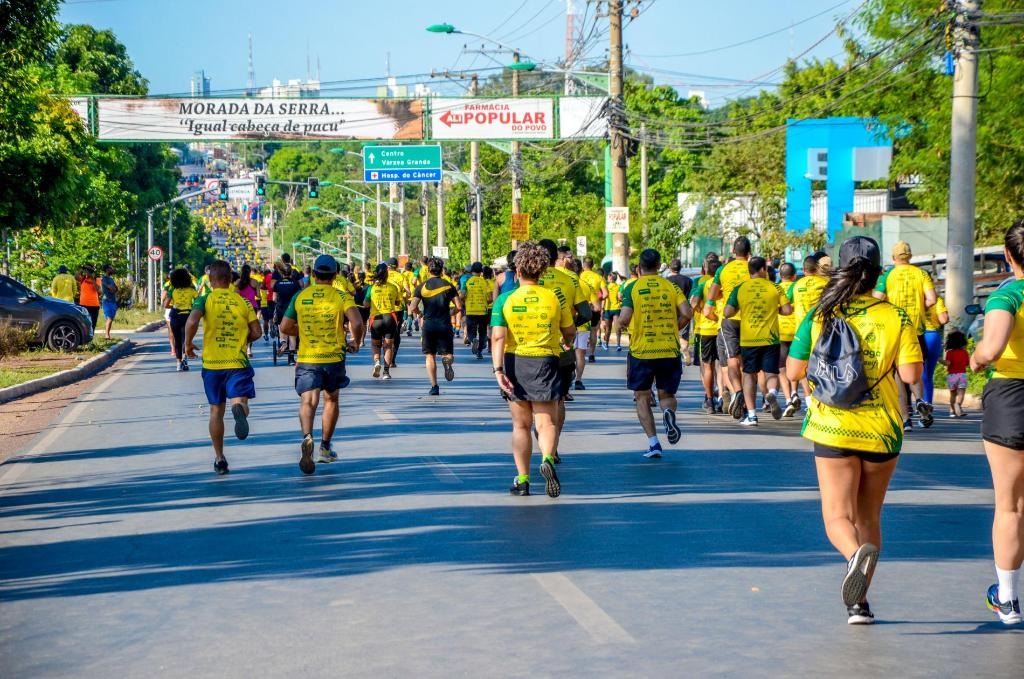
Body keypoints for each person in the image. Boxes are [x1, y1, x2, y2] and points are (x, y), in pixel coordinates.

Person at [786, 236, 923, 624]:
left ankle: (853, 563)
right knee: (869, 519)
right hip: (882, 430)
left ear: (841, 270)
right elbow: (911, 375)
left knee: (837, 518)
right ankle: (860, 602)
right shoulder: (896, 317)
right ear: (878, 273)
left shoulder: (821, 314)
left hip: (833, 427)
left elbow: (794, 371)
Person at [970, 220, 1024, 625]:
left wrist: (975, 358)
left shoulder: (1007, 296)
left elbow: (991, 349)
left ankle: (1007, 599)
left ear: (1008, 256)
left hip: (1012, 397)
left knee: (1010, 505)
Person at [491, 240, 576, 498]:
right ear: (542, 271)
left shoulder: (505, 299)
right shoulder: (553, 298)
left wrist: (498, 370)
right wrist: (566, 342)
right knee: (546, 420)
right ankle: (548, 458)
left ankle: (523, 480)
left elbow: (498, 337)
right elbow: (569, 331)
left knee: (521, 425)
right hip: (546, 361)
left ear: (517, 271)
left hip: (515, 362)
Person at [280, 254, 364, 475]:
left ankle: (307, 437)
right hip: (333, 357)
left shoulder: (300, 296)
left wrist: (304, 332)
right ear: (335, 275)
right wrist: (355, 342)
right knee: (331, 398)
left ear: (314, 275)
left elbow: (285, 327)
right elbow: (357, 322)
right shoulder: (341, 296)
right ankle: (325, 448)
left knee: (308, 400)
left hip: (308, 357)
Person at [184, 260, 262, 476]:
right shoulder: (242, 301)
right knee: (240, 400)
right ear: (230, 280)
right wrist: (243, 340)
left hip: (212, 365)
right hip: (237, 363)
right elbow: (257, 332)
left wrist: (188, 344)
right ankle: (239, 409)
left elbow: (192, 322)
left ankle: (219, 458)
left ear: (210, 280)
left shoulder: (205, 299)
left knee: (216, 411)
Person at [618, 248, 693, 458]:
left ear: (639, 267)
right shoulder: (671, 286)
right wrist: (674, 327)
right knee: (667, 395)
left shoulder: (632, 288)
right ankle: (668, 412)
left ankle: (653, 443)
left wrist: (620, 324)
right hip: (668, 349)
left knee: (642, 397)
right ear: (659, 266)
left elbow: (624, 319)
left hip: (642, 352)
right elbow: (687, 313)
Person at [873, 240, 937, 430]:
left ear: (893, 257)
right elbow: (932, 299)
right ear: (910, 256)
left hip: (894, 329)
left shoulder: (888, 275)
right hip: (916, 330)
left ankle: (906, 419)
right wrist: (920, 308)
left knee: (898, 375)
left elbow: (877, 299)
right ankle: (920, 399)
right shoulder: (921, 274)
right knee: (915, 369)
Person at [724, 257, 793, 426]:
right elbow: (787, 310)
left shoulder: (740, 288)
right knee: (771, 372)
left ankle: (752, 416)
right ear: (762, 269)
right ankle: (772, 393)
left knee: (749, 375)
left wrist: (741, 307)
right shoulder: (775, 287)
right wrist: (774, 309)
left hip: (749, 340)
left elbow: (727, 313)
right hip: (771, 339)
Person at [706, 236, 752, 419]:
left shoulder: (723, 270)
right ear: (749, 252)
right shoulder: (754, 268)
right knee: (747, 364)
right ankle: (747, 402)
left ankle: (737, 392)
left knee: (733, 359)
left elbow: (711, 298)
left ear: (733, 251)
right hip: (751, 320)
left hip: (730, 320)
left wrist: (715, 304)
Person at [410, 257, 462, 395]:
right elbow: (459, 306)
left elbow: (413, 307)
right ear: (442, 270)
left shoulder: (422, 287)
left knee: (430, 356)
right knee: (448, 353)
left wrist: (420, 313)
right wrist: (451, 312)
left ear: (428, 270)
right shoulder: (448, 285)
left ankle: (434, 386)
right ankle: (447, 361)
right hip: (444, 324)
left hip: (429, 325)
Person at [787, 254, 829, 415]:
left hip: (802, 332)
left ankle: (809, 399)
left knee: (804, 367)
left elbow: (785, 305)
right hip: (822, 330)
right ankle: (823, 398)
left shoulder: (796, 285)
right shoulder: (825, 283)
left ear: (804, 270)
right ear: (817, 268)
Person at [690, 253, 723, 414]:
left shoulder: (702, 284)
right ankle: (723, 395)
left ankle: (709, 400)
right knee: (723, 366)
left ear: (705, 268)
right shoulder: (726, 285)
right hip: (724, 329)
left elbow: (693, 303)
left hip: (705, 329)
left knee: (707, 366)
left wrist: (700, 310)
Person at [365, 262, 403, 379]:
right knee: (388, 346)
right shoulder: (393, 287)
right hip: (390, 318)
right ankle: (386, 372)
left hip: (376, 319)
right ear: (387, 275)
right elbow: (398, 302)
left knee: (376, 345)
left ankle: (377, 362)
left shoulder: (371, 288)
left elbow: (366, 304)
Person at [163, 267, 198, 371]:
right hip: (187, 317)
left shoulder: (173, 291)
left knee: (177, 340)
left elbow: (165, 305)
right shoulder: (192, 290)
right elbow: (198, 302)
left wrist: (173, 306)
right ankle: (184, 359)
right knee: (185, 340)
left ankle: (178, 363)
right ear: (187, 278)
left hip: (175, 317)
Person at [271, 254, 303, 365]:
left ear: (281, 273)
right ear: (291, 273)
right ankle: (291, 359)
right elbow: (299, 296)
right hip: (292, 310)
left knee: (282, 329)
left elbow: (274, 298)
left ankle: (283, 342)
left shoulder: (277, 283)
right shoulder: (295, 283)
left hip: (281, 309)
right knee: (293, 336)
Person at [777, 262, 800, 416]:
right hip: (797, 332)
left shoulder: (776, 288)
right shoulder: (798, 288)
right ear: (794, 276)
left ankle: (788, 400)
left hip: (780, 333)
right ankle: (794, 392)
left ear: (780, 275)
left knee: (781, 368)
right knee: (795, 364)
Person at [922, 295, 950, 404]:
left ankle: (909, 405)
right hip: (932, 337)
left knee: (915, 373)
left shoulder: (915, 297)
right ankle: (927, 404)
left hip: (916, 335)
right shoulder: (937, 300)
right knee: (928, 375)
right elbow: (944, 319)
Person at [461, 262, 491, 360]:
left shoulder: (467, 282)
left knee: (471, 330)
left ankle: (473, 339)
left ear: (471, 270)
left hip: (471, 310)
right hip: (483, 311)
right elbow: (490, 298)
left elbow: (462, 295)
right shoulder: (485, 282)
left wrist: (464, 300)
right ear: (481, 271)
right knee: (482, 331)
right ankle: (479, 352)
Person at [665, 258, 694, 363]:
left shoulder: (666, 281)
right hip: (684, 310)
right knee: (684, 334)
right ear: (681, 268)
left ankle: (673, 354)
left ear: (669, 268)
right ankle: (685, 348)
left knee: (671, 333)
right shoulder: (688, 281)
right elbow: (691, 297)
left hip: (670, 311)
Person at [580, 256, 607, 364]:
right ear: (593, 265)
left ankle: (579, 354)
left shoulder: (579, 275)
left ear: (583, 265)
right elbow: (606, 294)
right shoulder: (598, 277)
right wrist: (598, 300)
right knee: (593, 331)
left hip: (581, 306)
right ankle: (591, 354)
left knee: (580, 330)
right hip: (594, 306)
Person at [235, 264, 260, 359]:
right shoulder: (255, 282)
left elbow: (235, 295)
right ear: (250, 272)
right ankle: (249, 348)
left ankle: (242, 347)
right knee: (251, 328)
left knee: (242, 327)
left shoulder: (238, 282)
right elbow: (258, 295)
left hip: (241, 307)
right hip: (252, 307)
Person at [942, 330, 969, 418]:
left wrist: (940, 360)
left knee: (953, 394)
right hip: (962, 375)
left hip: (952, 376)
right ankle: (958, 404)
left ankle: (952, 411)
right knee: (961, 393)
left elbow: (948, 363)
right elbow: (967, 363)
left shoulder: (949, 352)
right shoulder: (964, 352)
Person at [602, 271, 623, 351]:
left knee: (608, 328)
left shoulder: (606, 287)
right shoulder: (619, 286)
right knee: (617, 327)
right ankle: (618, 345)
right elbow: (620, 297)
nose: (607, 278)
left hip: (607, 309)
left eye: (608, 277)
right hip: (616, 308)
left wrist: (602, 309)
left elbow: (604, 298)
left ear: (610, 278)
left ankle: (606, 345)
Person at [77, 265, 100, 330]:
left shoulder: (97, 279)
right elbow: (76, 277)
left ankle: (91, 336)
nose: (87, 272)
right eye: (86, 270)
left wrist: (92, 279)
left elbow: (97, 289)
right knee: (83, 323)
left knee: (92, 324)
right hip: (83, 305)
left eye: (89, 270)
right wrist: (82, 269)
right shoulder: (83, 278)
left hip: (94, 305)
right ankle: (84, 336)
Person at [100, 265, 118, 340]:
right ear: (107, 269)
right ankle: (106, 335)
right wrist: (111, 288)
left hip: (113, 301)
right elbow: (110, 288)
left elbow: (115, 289)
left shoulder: (111, 279)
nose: (112, 269)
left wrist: (112, 288)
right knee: (109, 318)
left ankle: (107, 334)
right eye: (111, 268)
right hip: (106, 301)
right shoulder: (104, 279)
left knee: (111, 318)